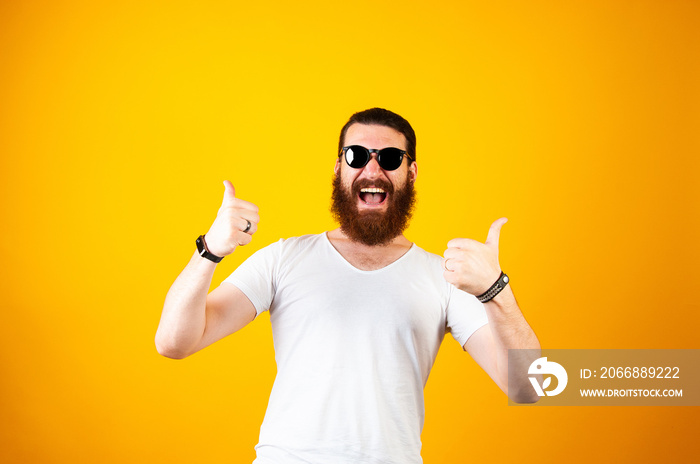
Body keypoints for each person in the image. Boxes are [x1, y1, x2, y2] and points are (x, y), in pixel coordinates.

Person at [155, 108, 541, 463]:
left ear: (412, 172)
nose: (372, 171)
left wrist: (495, 288)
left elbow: (530, 386)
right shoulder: (284, 258)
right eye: (357, 156)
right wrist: (209, 251)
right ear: (339, 167)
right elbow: (174, 343)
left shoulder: (445, 276)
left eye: (389, 158)